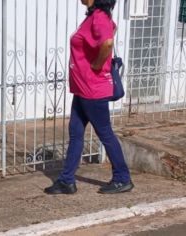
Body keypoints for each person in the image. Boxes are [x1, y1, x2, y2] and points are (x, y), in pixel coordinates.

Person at [44, 0, 134, 195]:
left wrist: (97, 63)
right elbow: (113, 30)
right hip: (83, 88)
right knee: (75, 133)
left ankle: (122, 177)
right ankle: (67, 181)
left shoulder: (100, 17)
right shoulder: (96, 17)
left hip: (93, 89)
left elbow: (108, 42)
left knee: (105, 134)